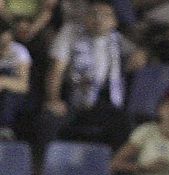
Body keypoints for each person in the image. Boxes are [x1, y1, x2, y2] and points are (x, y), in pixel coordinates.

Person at [38, 0, 146, 153]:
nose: (98, 19)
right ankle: (48, 165)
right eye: (94, 14)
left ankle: (115, 168)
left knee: (125, 124)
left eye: (105, 15)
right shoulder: (70, 33)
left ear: (114, 22)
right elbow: (56, 70)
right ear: (85, 17)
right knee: (49, 120)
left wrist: (141, 55)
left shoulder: (117, 39)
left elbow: (139, 56)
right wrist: (53, 99)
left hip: (105, 100)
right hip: (73, 98)